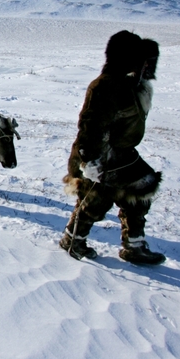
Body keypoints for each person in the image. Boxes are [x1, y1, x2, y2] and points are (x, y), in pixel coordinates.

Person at [59, 30, 166, 265]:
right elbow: (89, 125)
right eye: (143, 61)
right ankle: (72, 240)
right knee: (97, 200)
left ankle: (134, 246)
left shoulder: (132, 84)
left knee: (140, 192)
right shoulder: (105, 86)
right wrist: (89, 161)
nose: (148, 68)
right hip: (99, 154)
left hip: (122, 153)